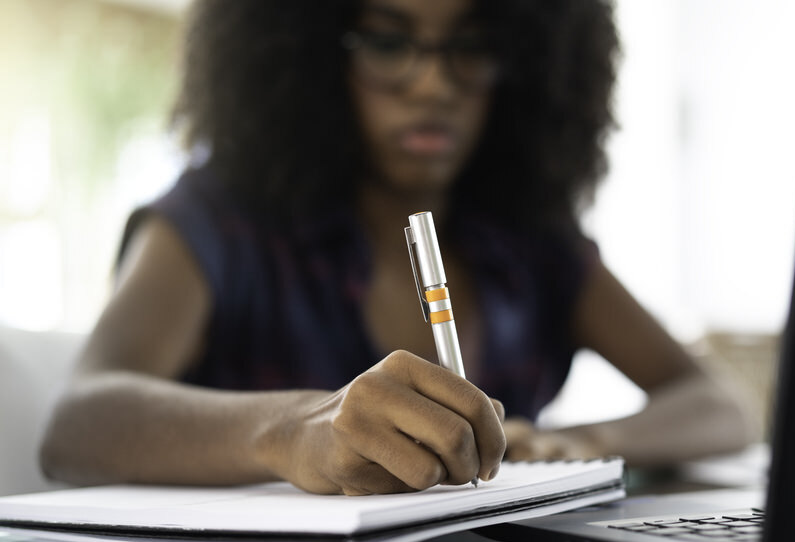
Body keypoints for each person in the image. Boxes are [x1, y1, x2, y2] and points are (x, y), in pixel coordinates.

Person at [40, 0, 750, 495]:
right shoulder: (220, 222)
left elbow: (723, 402)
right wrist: (288, 430)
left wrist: (585, 442)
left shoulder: (532, 244)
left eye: (471, 46)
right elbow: (79, 422)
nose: (433, 83)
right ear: (310, 52)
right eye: (386, 40)